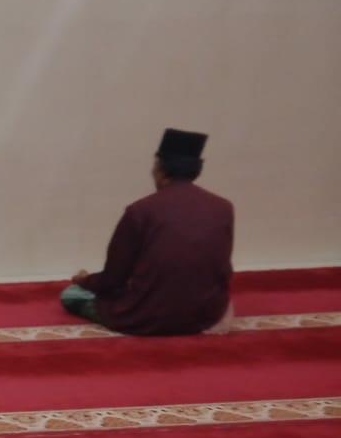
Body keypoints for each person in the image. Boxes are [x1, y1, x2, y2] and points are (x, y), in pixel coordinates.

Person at [63, 128, 235, 335]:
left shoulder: (141, 210)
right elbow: (222, 269)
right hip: (204, 316)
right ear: (196, 169)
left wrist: (84, 281)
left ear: (160, 169)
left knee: (72, 295)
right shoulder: (224, 208)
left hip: (146, 317)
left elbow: (113, 279)